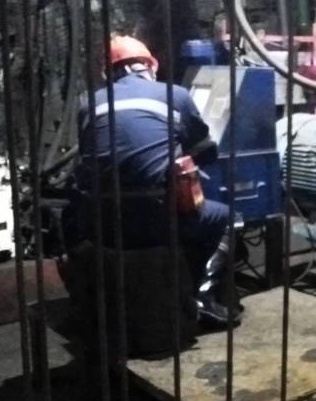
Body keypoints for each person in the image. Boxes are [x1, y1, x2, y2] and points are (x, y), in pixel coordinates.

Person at [75, 34, 238, 328]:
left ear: (108, 72)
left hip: (104, 224)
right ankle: (203, 298)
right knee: (227, 218)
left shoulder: (88, 103)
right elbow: (205, 150)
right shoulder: (176, 95)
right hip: (159, 219)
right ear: (151, 66)